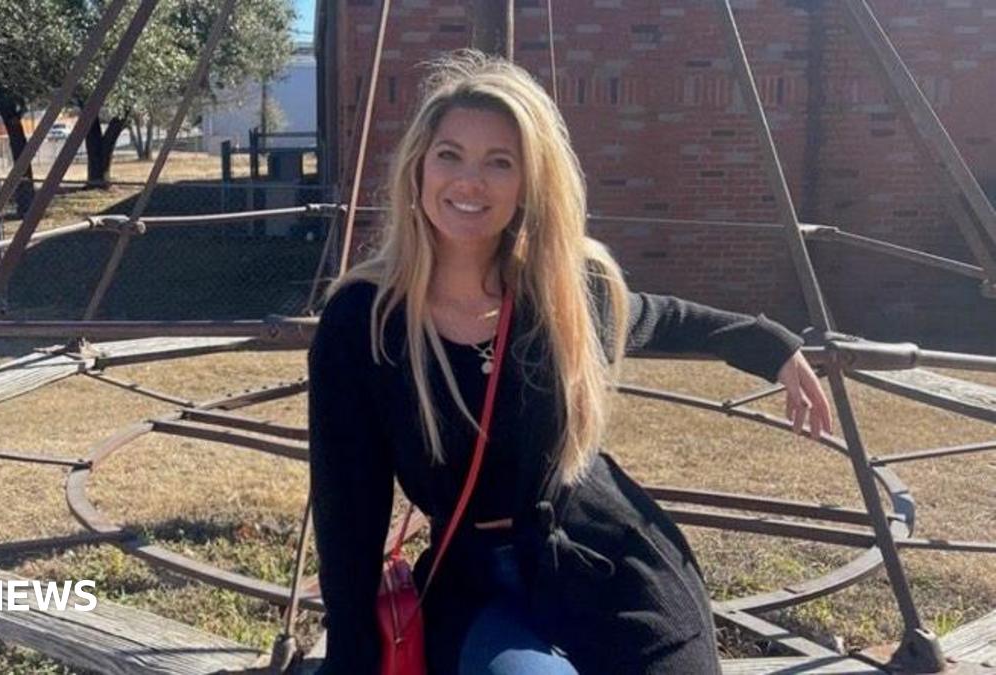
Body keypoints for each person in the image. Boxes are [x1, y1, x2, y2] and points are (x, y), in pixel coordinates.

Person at [308, 51, 833, 675]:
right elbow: (349, 510)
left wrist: (769, 345)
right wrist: (352, 656)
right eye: (450, 155)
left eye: (499, 163)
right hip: (472, 583)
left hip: (610, 561)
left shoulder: (566, 291)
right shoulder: (364, 322)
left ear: (530, 183)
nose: (469, 182)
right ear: (419, 167)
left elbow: (659, 315)